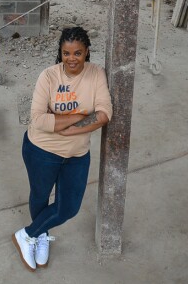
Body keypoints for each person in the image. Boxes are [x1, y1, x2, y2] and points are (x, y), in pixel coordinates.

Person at [12, 26, 112, 271]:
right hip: (41, 151)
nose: (71, 59)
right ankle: (41, 235)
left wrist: (63, 125)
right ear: (60, 52)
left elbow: (104, 114)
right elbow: (38, 120)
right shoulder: (48, 76)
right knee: (40, 196)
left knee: (69, 207)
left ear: (86, 51)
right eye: (66, 53)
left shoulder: (96, 74)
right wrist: (82, 117)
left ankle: (28, 234)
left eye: (77, 53)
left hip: (77, 154)